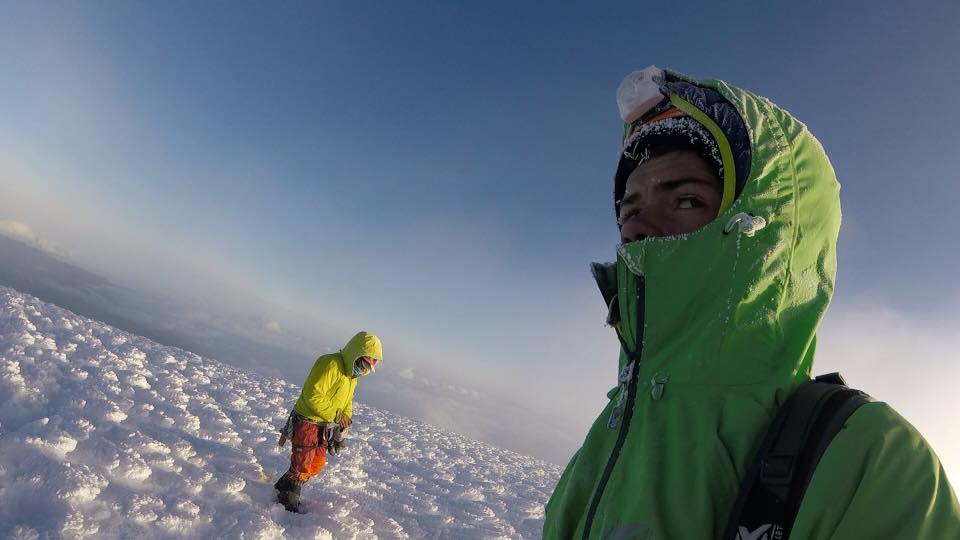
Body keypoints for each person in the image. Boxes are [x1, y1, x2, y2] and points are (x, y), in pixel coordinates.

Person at [543, 67, 959, 539]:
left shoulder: (873, 465)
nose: (636, 229)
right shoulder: (613, 431)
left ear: (771, 234)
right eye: (629, 211)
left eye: (685, 201)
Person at [274, 330, 383, 512]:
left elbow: (347, 402)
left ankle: (284, 485)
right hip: (307, 420)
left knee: (316, 463)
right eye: (364, 365)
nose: (364, 371)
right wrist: (337, 415)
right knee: (302, 463)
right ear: (356, 355)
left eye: (367, 368)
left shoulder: (351, 377)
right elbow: (313, 395)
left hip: (324, 424)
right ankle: (286, 503)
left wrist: (342, 427)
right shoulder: (331, 363)